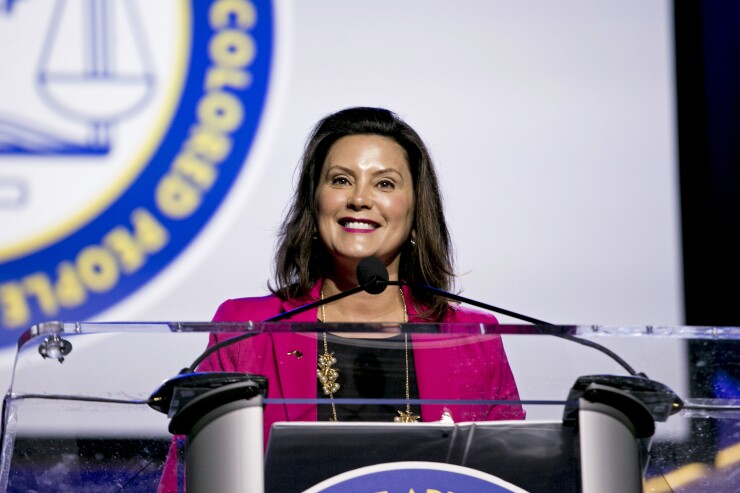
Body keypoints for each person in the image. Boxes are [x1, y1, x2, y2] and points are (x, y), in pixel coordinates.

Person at [158, 107, 523, 492]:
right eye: (341, 180)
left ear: (416, 211)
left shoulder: (472, 338)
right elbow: (188, 482)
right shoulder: (247, 332)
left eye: (384, 184)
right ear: (314, 202)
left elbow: (515, 476)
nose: (359, 199)